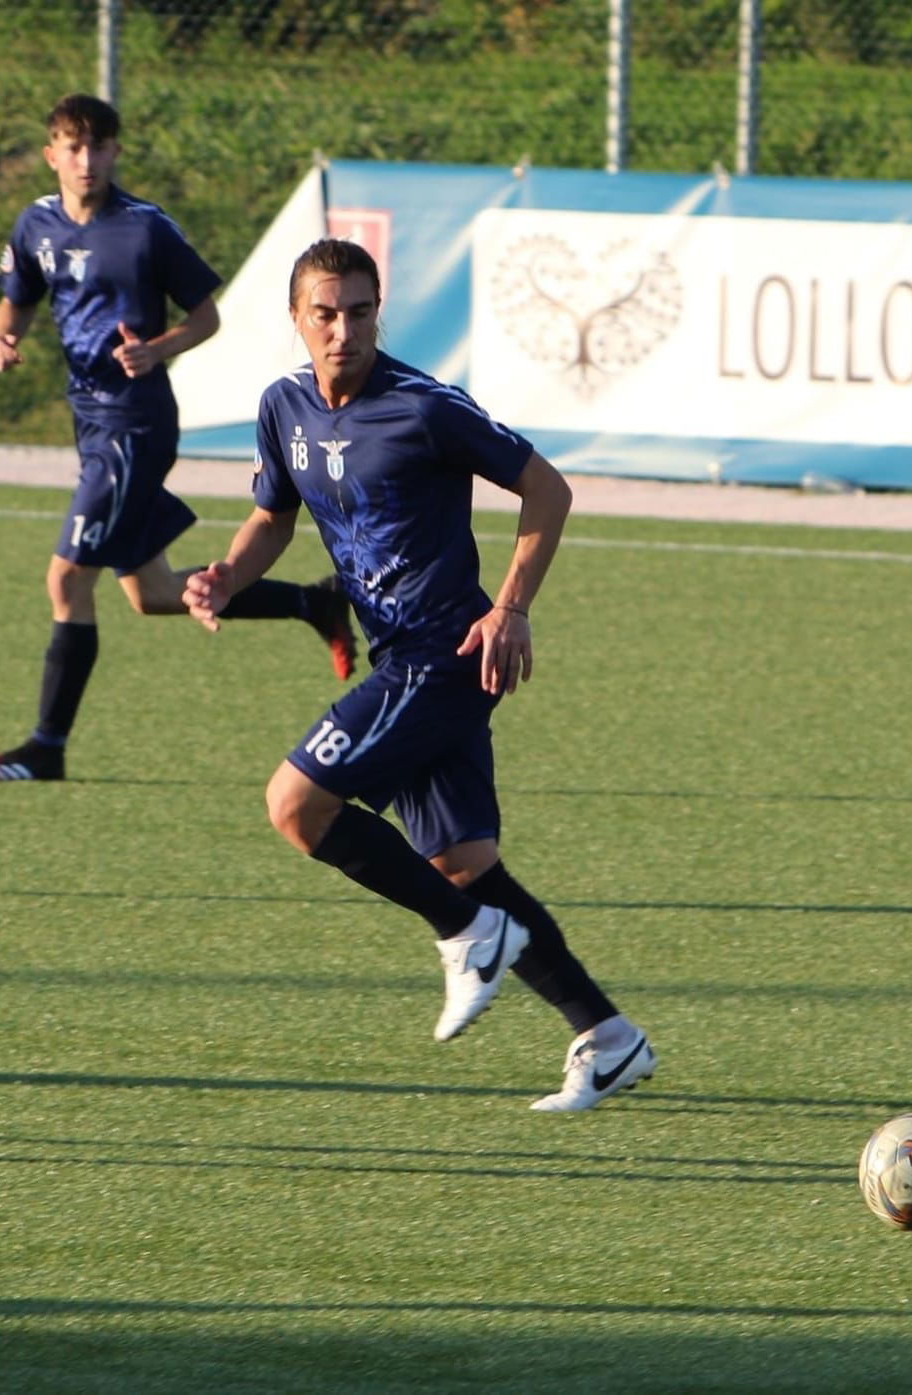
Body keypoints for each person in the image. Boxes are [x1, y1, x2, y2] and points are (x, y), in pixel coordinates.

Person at [182, 237, 656, 1112]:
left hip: (445, 652)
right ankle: (607, 1034)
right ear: (296, 318)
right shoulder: (282, 405)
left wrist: (510, 606)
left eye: (360, 312)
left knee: (295, 803)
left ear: (377, 315)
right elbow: (271, 519)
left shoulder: (423, 406)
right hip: (399, 652)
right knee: (466, 861)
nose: (343, 329)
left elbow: (548, 489)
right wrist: (226, 574)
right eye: (325, 313)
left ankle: (466, 934)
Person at [0, 93, 355, 783]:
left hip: (135, 424)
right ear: (51, 154)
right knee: (149, 594)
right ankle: (312, 601)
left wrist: (159, 348)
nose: (86, 161)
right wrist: (4, 336)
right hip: (89, 421)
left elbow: (207, 316)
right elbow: (19, 294)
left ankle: (47, 747)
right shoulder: (35, 225)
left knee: (65, 579)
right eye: (73, 147)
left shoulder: (145, 230)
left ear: (116, 153)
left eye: (99, 147)